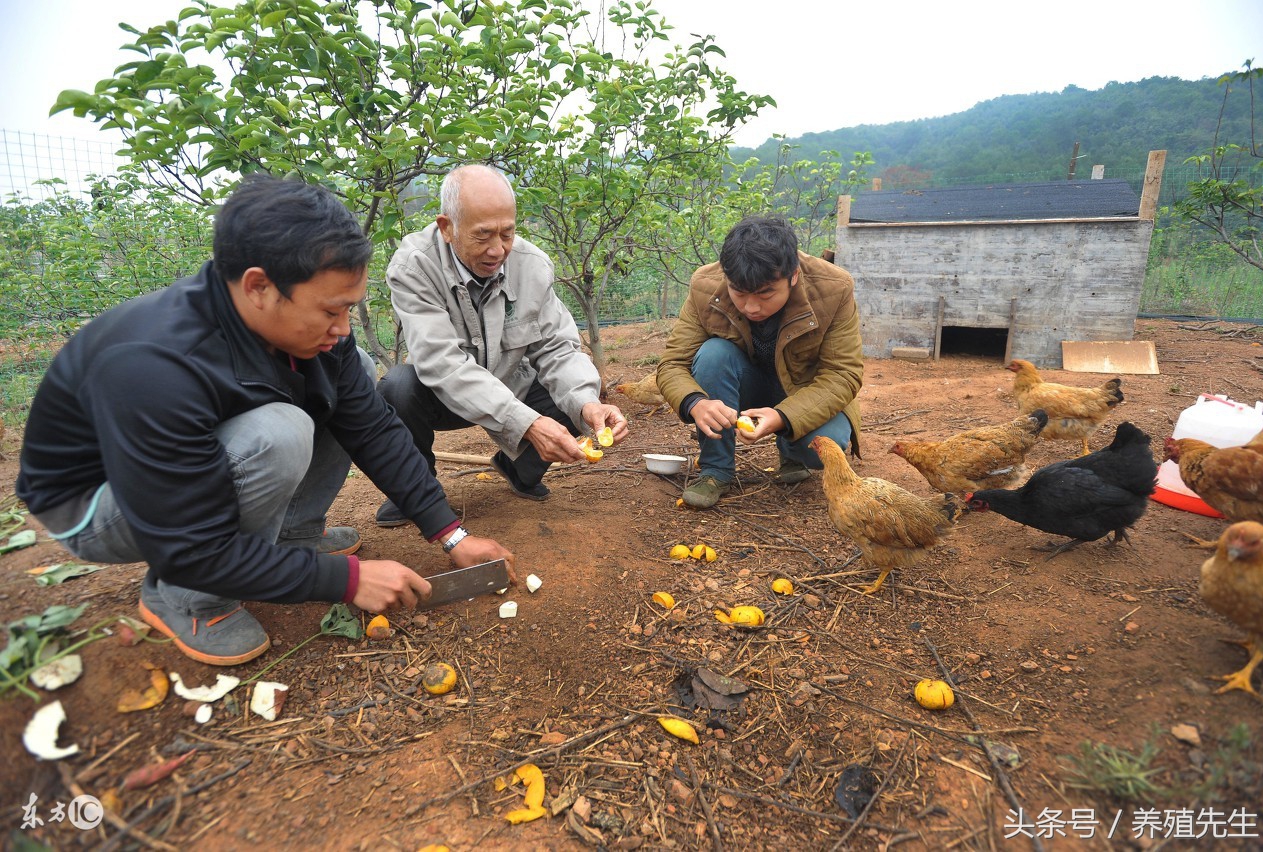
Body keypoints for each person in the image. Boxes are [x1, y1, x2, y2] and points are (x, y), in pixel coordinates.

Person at [16, 175, 513, 667]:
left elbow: (372, 427)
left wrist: (451, 535)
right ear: (259, 286)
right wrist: (348, 580)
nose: (341, 328)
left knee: (351, 368)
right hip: (96, 502)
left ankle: (293, 537)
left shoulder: (302, 331)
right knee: (276, 435)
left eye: (349, 309)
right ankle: (187, 598)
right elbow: (190, 545)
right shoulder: (152, 364)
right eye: (330, 310)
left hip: (188, 471)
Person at [374, 164, 628, 523]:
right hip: (442, 395)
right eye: (483, 236)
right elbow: (441, 364)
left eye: (507, 234)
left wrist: (587, 404)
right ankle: (416, 489)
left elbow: (557, 348)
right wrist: (526, 423)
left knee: (571, 396)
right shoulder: (415, 267)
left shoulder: (532, 266)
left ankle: (519, 469)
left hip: (511, 383)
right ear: (447, 228)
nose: (498, 250)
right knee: (398, 387)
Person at [656, 214, 865, 509]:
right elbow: (673, 363)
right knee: (714, 354)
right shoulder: (706, 285)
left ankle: (792, 453)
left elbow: (843, 374)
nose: (751, 307)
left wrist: (783, 417)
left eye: (765, 293)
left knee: (822, 447)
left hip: (802, 390)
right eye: (738, 293)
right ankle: (716, 470)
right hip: (746, 382)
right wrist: (695, 403)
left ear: (793, 276)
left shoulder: (834, 287)